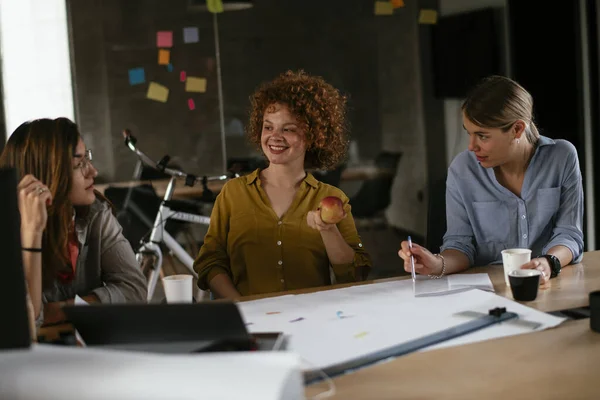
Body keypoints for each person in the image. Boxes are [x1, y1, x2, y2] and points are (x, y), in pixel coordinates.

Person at [194, 70, 372, 299]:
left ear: (313, 136)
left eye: (288, 129)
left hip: (312, 319)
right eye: (268, 127)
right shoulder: (233, 193)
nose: (274, 136)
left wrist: (328, 230)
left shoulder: (332, 197)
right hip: (250, 323)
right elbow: (210, 260)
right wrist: (240, 304)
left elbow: (356, 273)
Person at [399, 75, 584, 285]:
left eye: (482, 136)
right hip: (486, 292)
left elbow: (569, 235)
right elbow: (460, 245)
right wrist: (436, 263)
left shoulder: (562, 157)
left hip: (549, 284)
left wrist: (548, 262)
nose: (472, 146)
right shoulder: (463, 170)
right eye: (469, 134)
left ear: (517, 129)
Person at [0, 117, 147, 327]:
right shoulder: (8, 231)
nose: (93, 172)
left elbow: (135, 290)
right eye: (79, 164)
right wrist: (32, 233)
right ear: (47, 173)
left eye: (88, 158)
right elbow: (23, 321)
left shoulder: (96, 214)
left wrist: (64, 309)